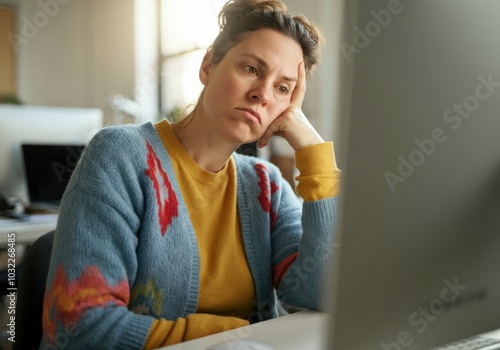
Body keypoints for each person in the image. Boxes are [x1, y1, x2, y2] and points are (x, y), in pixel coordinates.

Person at [40, 0, 341, 348]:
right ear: (208, 65)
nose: (262, 94)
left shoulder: (266, 184)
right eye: (251, 69)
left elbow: (322, 291)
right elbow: (78, 325)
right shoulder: (121, 154)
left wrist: (314, 153)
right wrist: (231, 338)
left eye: (283, 88)